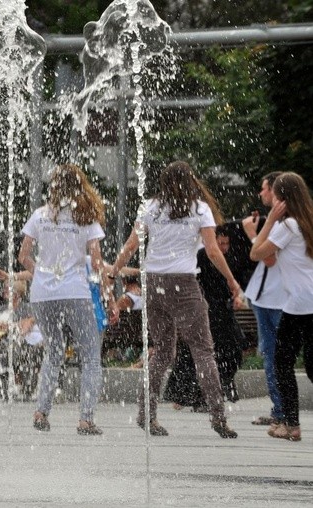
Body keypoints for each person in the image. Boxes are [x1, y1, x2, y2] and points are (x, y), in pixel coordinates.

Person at [108, 160, 240, 439]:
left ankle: (147, 414)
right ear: (191, 181)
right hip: (184, 284)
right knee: (203, 350)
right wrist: (231, 279)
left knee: (162, 352)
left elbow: (132, 245)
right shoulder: (199, 209)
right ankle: (218, 417)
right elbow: (214, 252)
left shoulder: (150, 207)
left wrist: (115, 270)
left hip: (154, 283)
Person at [18, 164, 115, 435]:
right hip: (74, 292)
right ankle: (85, 419)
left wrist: (42, 275)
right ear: (81, 185)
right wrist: (108, 297)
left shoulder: (39, 215)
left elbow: (23, 255)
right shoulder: (86, 217)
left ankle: (41, 411)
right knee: (90, 356)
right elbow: (96, 264)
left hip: (43, 294)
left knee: (54, 351)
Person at [250, 172, 313, 442]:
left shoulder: (286, 226)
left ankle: (291, 424)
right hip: (308, 300)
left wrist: (270, 220)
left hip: (299, 303)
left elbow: (256, 253)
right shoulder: (307, 221)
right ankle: (290, 422)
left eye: (274, 194)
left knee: (282, 363)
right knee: (310, 365)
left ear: (282, 198)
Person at [163, 224, 245, 411]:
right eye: (220, 243)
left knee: (226, 350)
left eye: (226, 243)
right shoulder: (202, 257)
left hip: (220, 311)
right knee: (201, 353)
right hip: (205, 309)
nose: (223, 247)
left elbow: (235, 282)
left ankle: (205, 393)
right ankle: (197, 396)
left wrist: (236, 296)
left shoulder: (226, 258)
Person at [242, 172, 287, 426]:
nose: (261, 194)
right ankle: (279, 411)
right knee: (272, 356)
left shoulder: (283, 223)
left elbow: (266, 257)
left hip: (276, 300)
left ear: (274, 190)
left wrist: (251, 233)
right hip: (266, 298)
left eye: (264, 189)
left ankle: (282, 412)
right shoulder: (279, 222)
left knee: (275, 356)